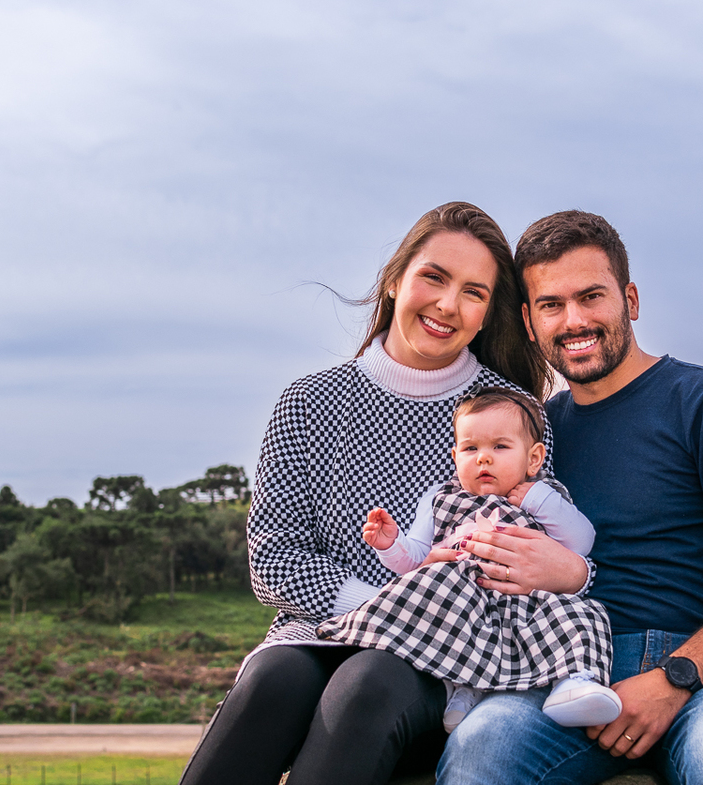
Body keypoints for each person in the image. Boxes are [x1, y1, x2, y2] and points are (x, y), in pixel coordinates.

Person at [176, 202, 567, 785]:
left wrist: (407, 618)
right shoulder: (307, 403)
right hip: (319, 630)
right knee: (271, 681)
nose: (447, 305)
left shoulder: (515, 417)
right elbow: (273, 561)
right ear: (394, 281)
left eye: (473, 292)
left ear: (487, 315)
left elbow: (523, 557)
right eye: (433, 277)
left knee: (366, 683)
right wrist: (381, 606)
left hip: (449, 647)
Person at [436, 210, 703, 785]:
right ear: (529, 323)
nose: (574, 320)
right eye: (551, 305)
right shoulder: (535, 435)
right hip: (569, 664)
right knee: (479, 749)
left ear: (630, 300)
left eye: (591, 296)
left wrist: (676, 676)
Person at [316, 386, 622, 733]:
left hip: (528, 601)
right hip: (461, 601)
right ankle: (460, 690)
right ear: (455, 456)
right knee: (430, 601)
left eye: (500, 447)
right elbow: (415, 560)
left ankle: (574, 682)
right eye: (470, 448)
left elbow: (582, 541)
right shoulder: (439, 499)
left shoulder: (544, 495)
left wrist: (538, 500)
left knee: (580, 615)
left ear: (534, 458)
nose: (483, 458)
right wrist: (390, 544)